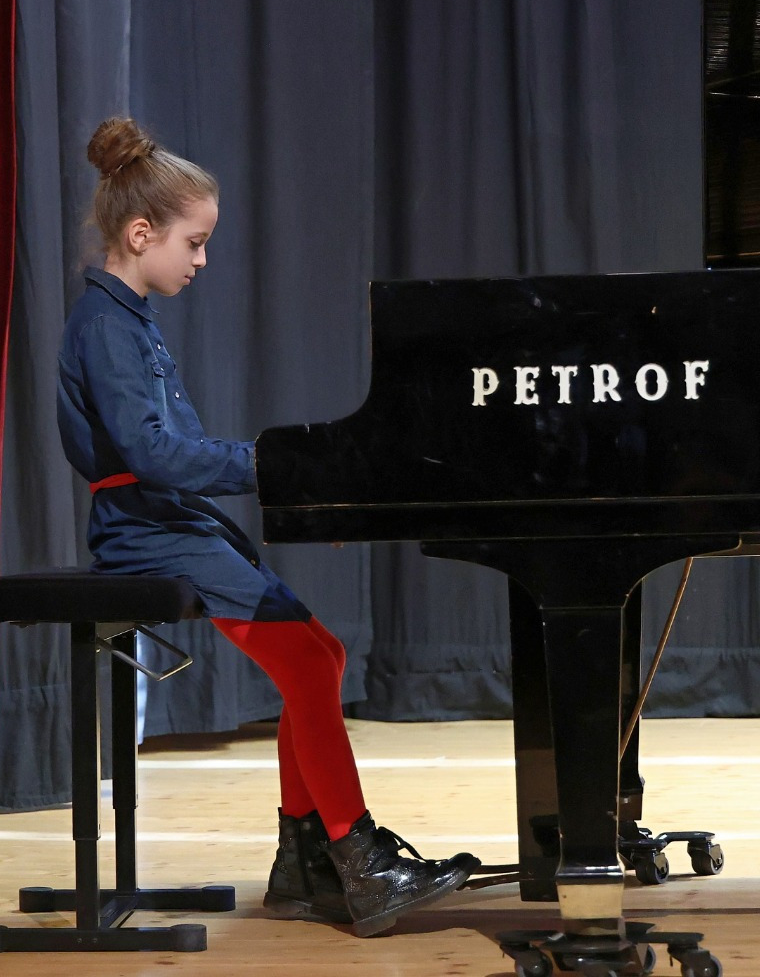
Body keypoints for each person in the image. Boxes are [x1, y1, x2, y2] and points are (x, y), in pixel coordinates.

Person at [56, 117, 476, 937]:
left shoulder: (127, 317)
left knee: (321, 656)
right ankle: (358, 859)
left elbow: (170, 458)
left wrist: (305, 493)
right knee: (310, 663)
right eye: (194, 242)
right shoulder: (105, 325)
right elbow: (153, 454)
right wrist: (276, 467)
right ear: (141, 235)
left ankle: (302, 863)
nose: (202, 260)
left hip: (171, 521)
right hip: (148, 533)